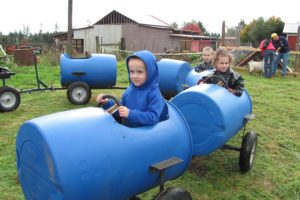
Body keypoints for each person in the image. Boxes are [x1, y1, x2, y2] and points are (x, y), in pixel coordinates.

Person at [96, 50, 169, 127]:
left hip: (145, 134)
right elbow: (120, 108)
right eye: (132, 71)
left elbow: (153, 118)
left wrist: (130, 114)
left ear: (151, 72)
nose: (135, 76)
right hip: (128, 132)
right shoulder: (129, 90)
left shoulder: (154, 94)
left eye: (140, 72)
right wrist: (107, 103)